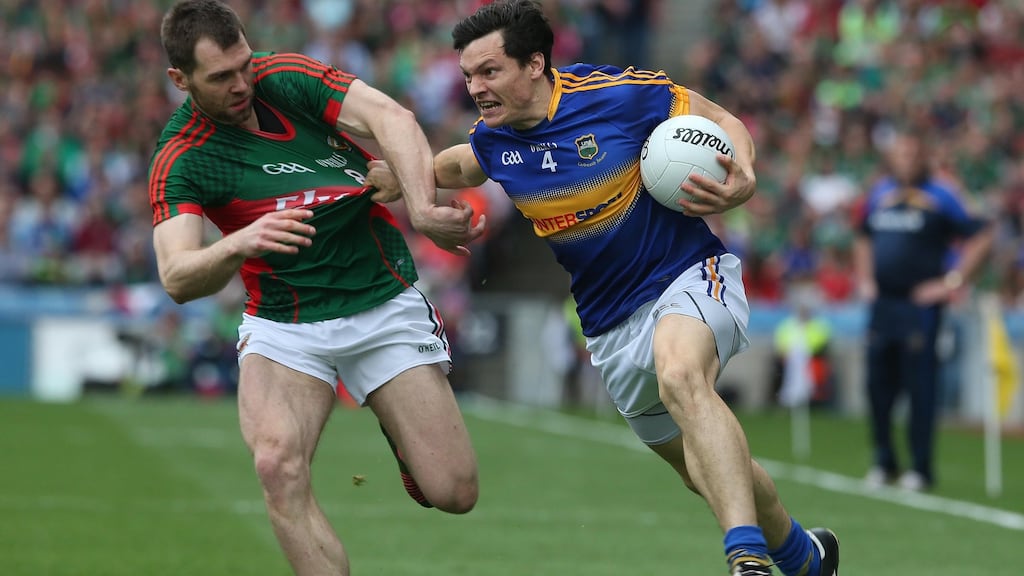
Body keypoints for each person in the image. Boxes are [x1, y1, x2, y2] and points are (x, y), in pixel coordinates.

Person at [378, 1, 840, 575]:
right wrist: (388, 177)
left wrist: (742, 175)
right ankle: (805, 558)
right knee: (710, 471)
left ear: (535, 64)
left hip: (688, 278)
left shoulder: (619, 95)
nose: (475, 86)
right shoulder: (495, 141)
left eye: (489, 71)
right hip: (609, 325)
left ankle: (745, 557)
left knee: (681, 376)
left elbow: (723, 121)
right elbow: (455, 167)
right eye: (469, 75)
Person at [148, 1, 484, 574]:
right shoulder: (182, 158)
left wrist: (423, 209)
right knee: (277, 463)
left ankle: (400, 431)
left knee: (455, 491)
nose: (241, 84)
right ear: (180, 80)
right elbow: (177, 278)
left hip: (381, 301)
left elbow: (393, 120)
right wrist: (238, 242)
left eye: (243, 65)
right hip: (286, 325)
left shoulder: (286, 78)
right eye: (220, 77)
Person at [853, 129, 994, 492]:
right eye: (900, 153)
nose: (907, 160)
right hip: (883, 303)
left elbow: (982, 235)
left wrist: (951, 282)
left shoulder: (943, 194)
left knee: (921, 387)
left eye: (913, 154)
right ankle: (884, 460)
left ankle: (921, 467)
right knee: (877, 385)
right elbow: (863, 237)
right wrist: (866, 278)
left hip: (919, 307)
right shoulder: (880, 193)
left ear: (924, 157)